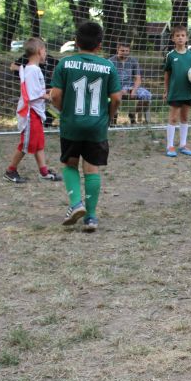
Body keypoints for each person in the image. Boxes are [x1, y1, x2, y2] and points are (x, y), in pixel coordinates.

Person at [50, 21, 121, 232]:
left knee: (70, 164)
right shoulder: (108, 66)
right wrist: (108, 116)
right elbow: (116, 98)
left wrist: (64, 111)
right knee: (92, 169)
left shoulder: (65, 64)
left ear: (76, 42)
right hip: (96, 126)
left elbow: (55, 96)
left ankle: (75, 204)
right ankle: (90, 217)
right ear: (100, 45)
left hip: (71, 124)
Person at [3, 37, 62, 183]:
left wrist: (49, 91)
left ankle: (44, 172)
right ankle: (10, 171)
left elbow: (37, 90)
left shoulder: (32, 69)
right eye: (45, 50)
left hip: (36, 113)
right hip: (30, 114)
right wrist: (50, 96)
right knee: (26, 144)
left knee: (38, 143)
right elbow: (32, 94)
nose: (46, 53)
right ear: (39, 51)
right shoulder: (32, 70)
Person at [163, 25, 191, 157]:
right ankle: (170, 146)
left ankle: (183, 145)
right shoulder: (170, 56)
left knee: (185, 117)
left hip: (188, 91)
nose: (180, 38)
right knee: (173, 118)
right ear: (173, 39)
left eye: (183, 35)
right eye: (177, 36)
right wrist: (166, 90)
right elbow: (167, 74)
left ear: (187, 38)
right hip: (175, 92)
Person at [109, 41, 152, 125]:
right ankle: (113, 120)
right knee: (112, 97)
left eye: (127, 51)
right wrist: (118, 89)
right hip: (115, 86)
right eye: (122, 51)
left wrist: (134, 90)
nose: (125, 53)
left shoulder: (133, 61)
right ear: (117, 50)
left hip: (129, 86)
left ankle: (133, 113)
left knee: (147, 95)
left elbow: (138, 78)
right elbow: (108, 79)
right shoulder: (110, 61)